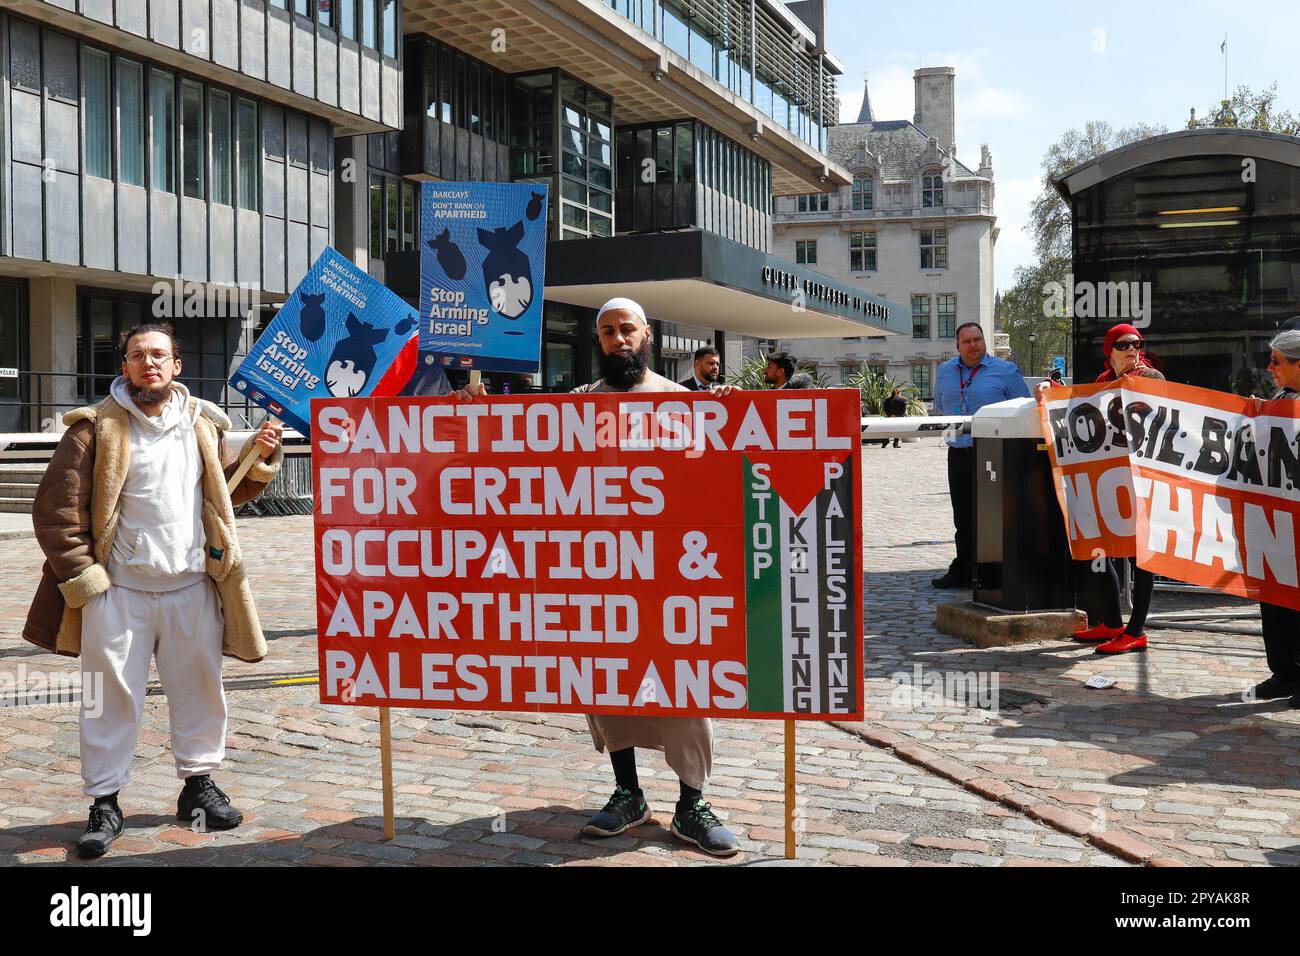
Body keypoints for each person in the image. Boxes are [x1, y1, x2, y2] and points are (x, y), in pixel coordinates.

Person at [462, 297, 738, 855]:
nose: (618, 338)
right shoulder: (576, 407)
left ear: (647, 335)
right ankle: (627, 792)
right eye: (607, 331)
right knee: (608, 680)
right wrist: (476, 410)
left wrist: (738, 417)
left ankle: (692, 803)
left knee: (683, 686)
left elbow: (727, 475)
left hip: (670, 576)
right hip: (599, 573)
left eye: (627, 329)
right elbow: (521, 458)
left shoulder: (686, 404)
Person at [22, 323, 284, 858]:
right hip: (117, 592)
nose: (149, 364)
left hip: (192, 587)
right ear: (125, 366)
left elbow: (232, 490)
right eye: (138, 356)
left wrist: (260, 456)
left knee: (200, 691)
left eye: (159, 355)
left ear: (176, 365)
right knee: (108, 699)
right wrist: (85, 580)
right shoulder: (93, 429)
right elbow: (56, 511)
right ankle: (104, 802)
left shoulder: (204, 423)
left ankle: (199, 786)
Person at [1068, 323, 1164, 655]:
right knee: (1097, 547)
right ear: (1109, 350)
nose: (1132, 350)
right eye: (1124, 345)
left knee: (1141, 556)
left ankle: (1136, 631)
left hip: (1142, 480)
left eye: (1137, 344)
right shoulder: (1100, 382)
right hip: (1108, 478)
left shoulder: (1151, 379)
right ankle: (1111, 621)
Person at [931, 322, 1031, 588]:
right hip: (959, 454)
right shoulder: (944, 372)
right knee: (963, 517)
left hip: (995, 454)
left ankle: (996, 573)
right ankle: (964, 569)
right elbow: (940, 406)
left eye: (978, 339)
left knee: (995, 515)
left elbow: (1024, 409)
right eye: (967, 341)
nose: (973, 345)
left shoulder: (1006, 371)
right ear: (957, 346)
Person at [1252, 327, 1300, 705]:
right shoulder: (1280, 398)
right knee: (1275, 599)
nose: (1270, 368)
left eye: (1277, 361)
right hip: (1277, 523)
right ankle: (1284, 671)